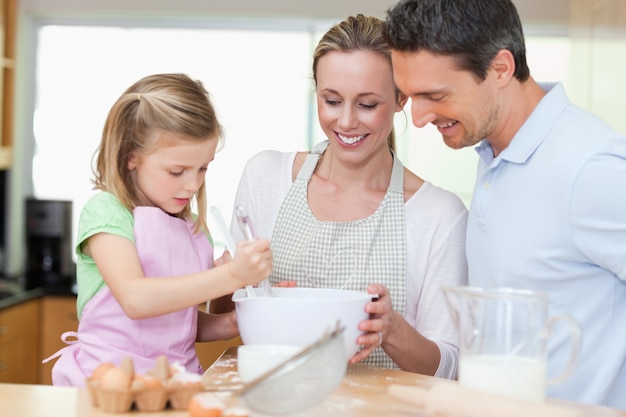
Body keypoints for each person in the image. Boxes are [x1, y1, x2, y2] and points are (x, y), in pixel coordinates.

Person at [384, 0, 626, 409]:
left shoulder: (590, 168)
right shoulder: (496, 152)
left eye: (434, 95)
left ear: (500, 69)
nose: (419, 117)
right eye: (410, 96)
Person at [230, 14, 468, 378]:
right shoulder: (265, 178)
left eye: (367, 104)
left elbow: (449, 367)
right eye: (332, 100)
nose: (345, 122)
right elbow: (227, 312)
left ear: (401, 98)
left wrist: (394, 331)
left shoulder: (439, 214)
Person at [44, 73, 273, 387]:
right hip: (107, 386)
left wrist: (240, 319)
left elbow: (178, 325)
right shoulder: (107, 214)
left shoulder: (193, 231)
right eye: (177, 171)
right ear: (131, 159)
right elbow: (137, 300)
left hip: (176, 383)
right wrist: (231, 276)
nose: (193, 184)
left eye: (203, 168)